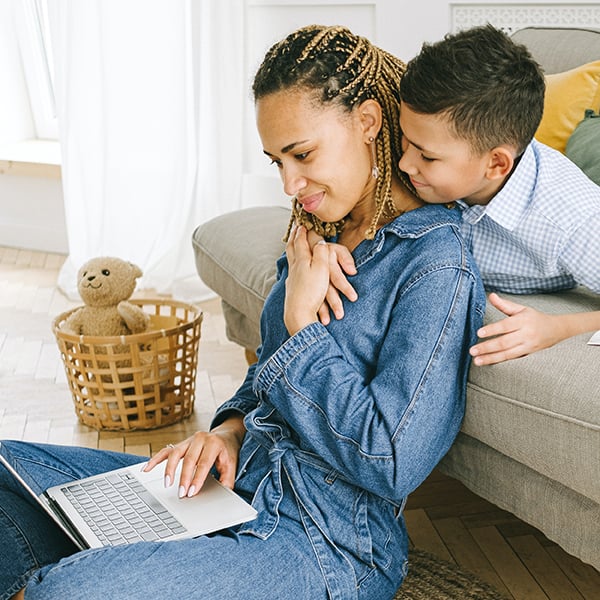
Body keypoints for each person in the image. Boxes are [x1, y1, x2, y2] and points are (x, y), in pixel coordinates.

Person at [0, 25, 485, 600]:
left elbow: (392, 459)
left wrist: (305, 328)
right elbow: (265, 380)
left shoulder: (435, 266)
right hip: (227, 488)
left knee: (69, 592)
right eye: (276, 160)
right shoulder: (317, 234)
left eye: (301, 154)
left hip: (323, 539)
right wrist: (228, 431)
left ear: (369, 122)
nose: (289, 183)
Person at [397, 24, 600, 365]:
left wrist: (559, 327)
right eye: (405, 141)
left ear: (495, 164)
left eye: (426, 156)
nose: (404, 163)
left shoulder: (570, 219)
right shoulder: (428, 142)